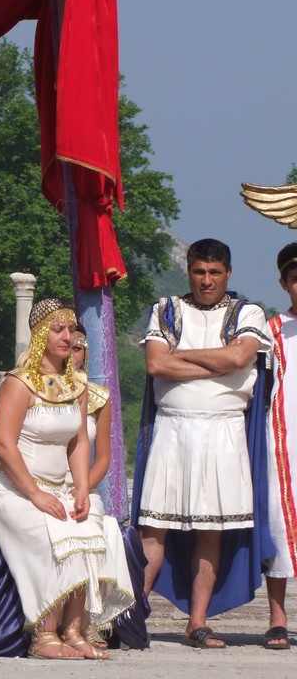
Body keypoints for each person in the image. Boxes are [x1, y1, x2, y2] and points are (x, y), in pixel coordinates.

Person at [134, 238, 271, 649]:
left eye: (214, 272)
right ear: (189, 271)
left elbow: (240, 359)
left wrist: (184, 357)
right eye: (199, 271)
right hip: (172, 429)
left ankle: (197, 623)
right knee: (153, 528)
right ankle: (132, 617)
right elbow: (156, 363)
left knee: (211, 531)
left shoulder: (247, 312)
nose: (206, 280)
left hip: (223, 432)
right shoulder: (167, 309)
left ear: (228, 273)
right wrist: (219, 365)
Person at [0, 299, 132, 660]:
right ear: (39, 334)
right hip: (14, 490)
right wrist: (35, 494)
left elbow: (78, 442)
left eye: (70, 329)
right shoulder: (18, 383)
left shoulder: (77, 385)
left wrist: (81, 488)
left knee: (86, 530)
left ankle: (74, 630)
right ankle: (44, 635)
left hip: (60, 489)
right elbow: (4, 445)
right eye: (57, 329)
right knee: (57, 534)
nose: (67, 337)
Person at [70, 325, 136, 649]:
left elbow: (103, 458)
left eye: (78, 347)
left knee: (99, 524)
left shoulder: (98, 397)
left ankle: (88, 620)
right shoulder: (29, 388)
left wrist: (82, 488)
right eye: (66, 344)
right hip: (41, 483)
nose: (71, 353)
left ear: (86, 352)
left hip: (81, 487)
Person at [262, 242, 297, 650]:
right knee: (280, 525)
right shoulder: (271, 331)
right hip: (284, 440)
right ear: (284, 283)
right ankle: (277, 618)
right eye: (295, 278)